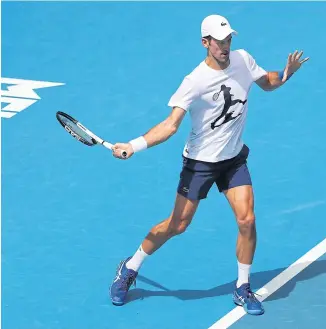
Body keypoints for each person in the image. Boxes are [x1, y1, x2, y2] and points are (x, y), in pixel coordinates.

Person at [109, 14, 309, 315]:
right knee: (177, 225)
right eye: (219, 41)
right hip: (200, 163)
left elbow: (266, 82)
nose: (226, 46)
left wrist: (285, 74)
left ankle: (242, 288)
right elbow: (170, 125)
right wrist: (134, 146)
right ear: (206, 43)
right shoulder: (195, 81)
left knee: (247, 220)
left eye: (229, 39)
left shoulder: (243, 59)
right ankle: (130, 267)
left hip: (233, 160)